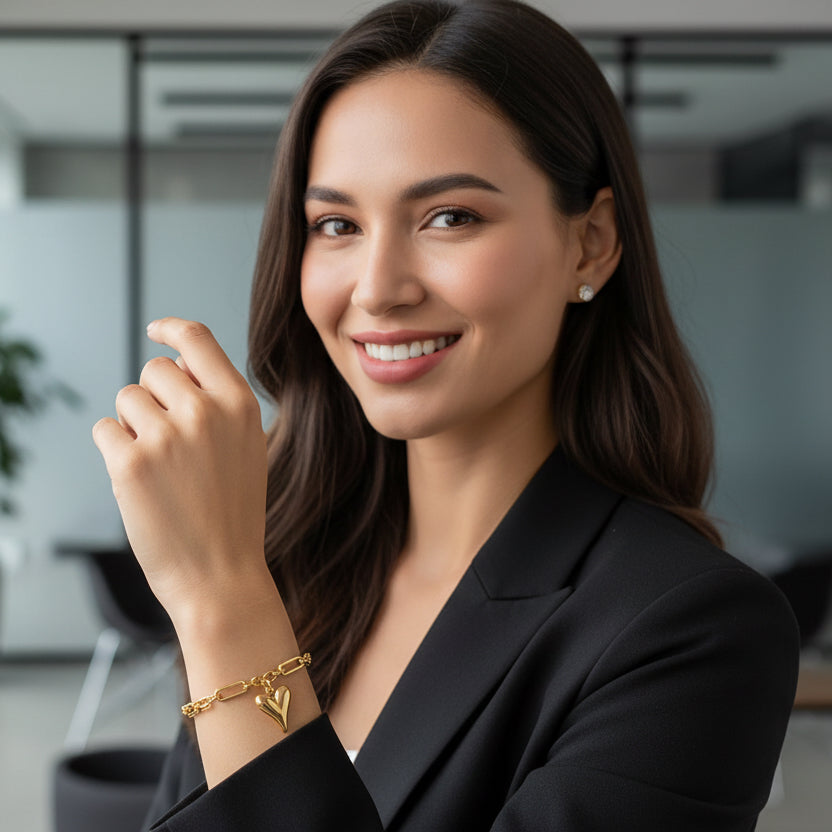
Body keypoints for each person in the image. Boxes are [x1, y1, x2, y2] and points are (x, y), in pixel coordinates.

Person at [92, 1, 799, 829]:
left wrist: (222, 603)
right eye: (337, 224)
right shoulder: (294, 558)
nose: (379, 286)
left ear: (592, 242)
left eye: (450, 217)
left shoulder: (692, 629)